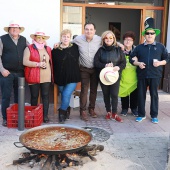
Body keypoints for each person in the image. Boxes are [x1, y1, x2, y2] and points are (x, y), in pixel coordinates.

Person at [130, 17, 169, 124]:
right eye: (147, 33)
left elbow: (167, 58)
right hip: (142, 75)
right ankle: (141, 114)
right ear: (144, 35)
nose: (150, 35)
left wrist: (160, 63)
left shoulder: (161, 47)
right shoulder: (139, 47)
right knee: (141, 95)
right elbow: (131, 58)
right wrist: (138, 63)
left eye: (152, 33)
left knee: (154, 95)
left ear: (155, 34)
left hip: (155, 75)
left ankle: (154, 115)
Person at [0, 20, 28, 127]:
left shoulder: (24, 39)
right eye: (12, 28)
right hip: (7, 72)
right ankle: (5, 118)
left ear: (20, 30)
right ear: (8, 30)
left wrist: (43, 44)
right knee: (6, 96)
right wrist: (2, 70)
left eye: (17, 28)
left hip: (20, 72)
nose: (15, 30)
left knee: (19, 96)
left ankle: (16, 117)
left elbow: (32, 48)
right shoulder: (2, 39)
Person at [94, 30, 126, 122]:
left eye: (110, 38)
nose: (108, 39)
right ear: (103, 39)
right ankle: (108, 111)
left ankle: (114, 113)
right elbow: (96, 62)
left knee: (114, 95)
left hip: (115, 76)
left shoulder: (118, 50)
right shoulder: (100, 50)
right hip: (104, 77)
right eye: (106, 38)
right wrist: (104, 65)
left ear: (114, 39)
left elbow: (123, 62)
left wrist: (118, 67)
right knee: (106, 94)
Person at [23, 29, 53, 123]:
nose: (40, 39)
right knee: (34, 96)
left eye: (42, 37)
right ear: (35, 37)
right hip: (33, 76)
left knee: (45, 96)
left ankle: (45, 116)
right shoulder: (29, 48)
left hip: (46, 76)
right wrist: (38, 64)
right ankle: (33, 115)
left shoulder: (48, 48)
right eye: (38, 37)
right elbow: (25, 61)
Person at [52, 29, 80, 124]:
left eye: (68, 36)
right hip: (60, 77)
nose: (66, 38)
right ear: (61, 37)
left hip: (73, 76)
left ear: (70, 38)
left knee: (66, 94)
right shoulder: (55, 50)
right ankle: (67, 109)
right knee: (63, 94)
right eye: (64, 36)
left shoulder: (75, 47)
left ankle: (62, 112)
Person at [118, 31, 138, 117]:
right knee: (124, 92)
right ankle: (124, 109)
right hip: (123, 76)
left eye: (130, 40)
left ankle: (134, 109)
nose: (127, 41)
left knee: (134, 94)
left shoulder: (137, 50)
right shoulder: (119, 50)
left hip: (134, 76)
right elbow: (112, 41)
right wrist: (119, 45)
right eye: (125, 39)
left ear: (133, 41)